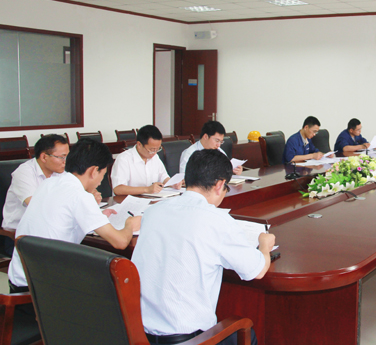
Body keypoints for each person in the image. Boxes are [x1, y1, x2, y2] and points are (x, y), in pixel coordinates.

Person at [132, 149, 275, 345]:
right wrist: (264, 246)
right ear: (220, 184)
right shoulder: (216, 220)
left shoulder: (153, 211)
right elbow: (257, 271)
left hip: (140, 336)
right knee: (246, 332)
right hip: (190, 340)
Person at [7, 138, 141, 293]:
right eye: (103, 174)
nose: (100, 182)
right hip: (46, 288)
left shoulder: (49, 183)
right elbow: (120, 242)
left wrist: (98, 215)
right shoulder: (80, 195)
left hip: (21, 279)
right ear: (93, 171)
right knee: (116, 284)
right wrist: (130, 225)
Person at [111, 125, 182, 196]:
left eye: (157, 149)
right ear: (139, 144)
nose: (154, 153)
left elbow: (163, 177)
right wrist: (147, 189)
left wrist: (172, 183)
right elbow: (118, 189)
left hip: (151, 198)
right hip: (129, 200)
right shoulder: (124, 159)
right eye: (151, 149)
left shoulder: (155, 157)